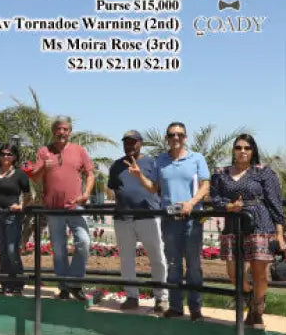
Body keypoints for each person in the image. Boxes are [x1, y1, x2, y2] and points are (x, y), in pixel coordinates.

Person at [128, 121, 210, 320]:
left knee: (193, 265)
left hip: (192, 219)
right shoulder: (161, 161)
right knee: (172, 265)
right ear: (167, 138)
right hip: (169, 219)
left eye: (180, 135)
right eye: (172, 135)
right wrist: (139, 176)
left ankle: (195, 309)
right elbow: (154, 187)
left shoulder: (197, 159)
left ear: (185, 137)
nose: (176, 138)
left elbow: (205, 186)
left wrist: (191, 203)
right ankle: (175, 307)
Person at [210, 134, 286, 329]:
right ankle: (251, 296)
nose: (242, 151)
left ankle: (257, 312)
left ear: (253, 151)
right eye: (238, 147)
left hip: (260, 225)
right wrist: (229, 206)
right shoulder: (221, 173)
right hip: (233, 226)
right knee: (233, 274)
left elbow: (275, 203)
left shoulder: (263, 173)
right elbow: (215, 199)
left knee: (259, 273)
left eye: (247, 148)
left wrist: (279, 233)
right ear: (233, 150)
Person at [28, 117, 95, 302]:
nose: (62, 132)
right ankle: (64, 287)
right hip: (53, 209)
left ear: (70, 132)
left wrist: (87, 193)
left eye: (65, 129)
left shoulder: (79, 150)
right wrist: (44, 167)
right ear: (53, 131)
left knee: (84, 242)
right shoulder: (44, 151)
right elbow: (34, 177)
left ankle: (74, 282)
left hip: (75, 206)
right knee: (59, 249)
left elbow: (90, 173)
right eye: (58, 129)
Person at [108, 130, 168, 314]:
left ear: (140, 143)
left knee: (157, 258)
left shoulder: (152, 162)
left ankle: (161, 298)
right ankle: (132, 296)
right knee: (126, 260)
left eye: (133, 142)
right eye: (126, 142)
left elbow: (156, 188)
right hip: (123, 219)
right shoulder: (116, 165)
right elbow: (114, 190)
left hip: (148, 217)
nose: (129, 145)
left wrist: (139, 176)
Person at [0, 144, 31, 295]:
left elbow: (28, 195)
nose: (5, 157)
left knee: (11, 250)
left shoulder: (20, 174)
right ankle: (5, 284)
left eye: (9, 154)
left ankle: (17, 283)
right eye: (3, 154)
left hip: (12, 216)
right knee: (3, 250)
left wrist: (21, 205)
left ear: (14, 157)